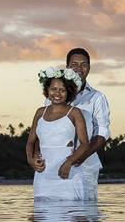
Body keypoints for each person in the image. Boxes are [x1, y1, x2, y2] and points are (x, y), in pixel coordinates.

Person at [51, 47, 110, 200]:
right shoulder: (53, 96)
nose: (79, 68)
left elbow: (102, 133)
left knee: (84, 216)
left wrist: (80, 156)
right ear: (67, 67)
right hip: (54, 165)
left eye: (83, 64)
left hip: (84, 166)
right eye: (74, 64)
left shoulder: (97, 98)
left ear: (89, 68)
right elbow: (44, 126)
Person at [27, 69, 92, 200]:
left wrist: (69, 162)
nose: (57, 93)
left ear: (68, 92)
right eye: (53, 89)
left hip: (67, 172)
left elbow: (85, 144)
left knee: (69, 216)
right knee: (43, 217)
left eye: (62, 90)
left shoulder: (75, 113)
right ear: (47, 90)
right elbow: (31, 141)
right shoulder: (40, 112)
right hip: (43, 174)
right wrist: (30, 159)